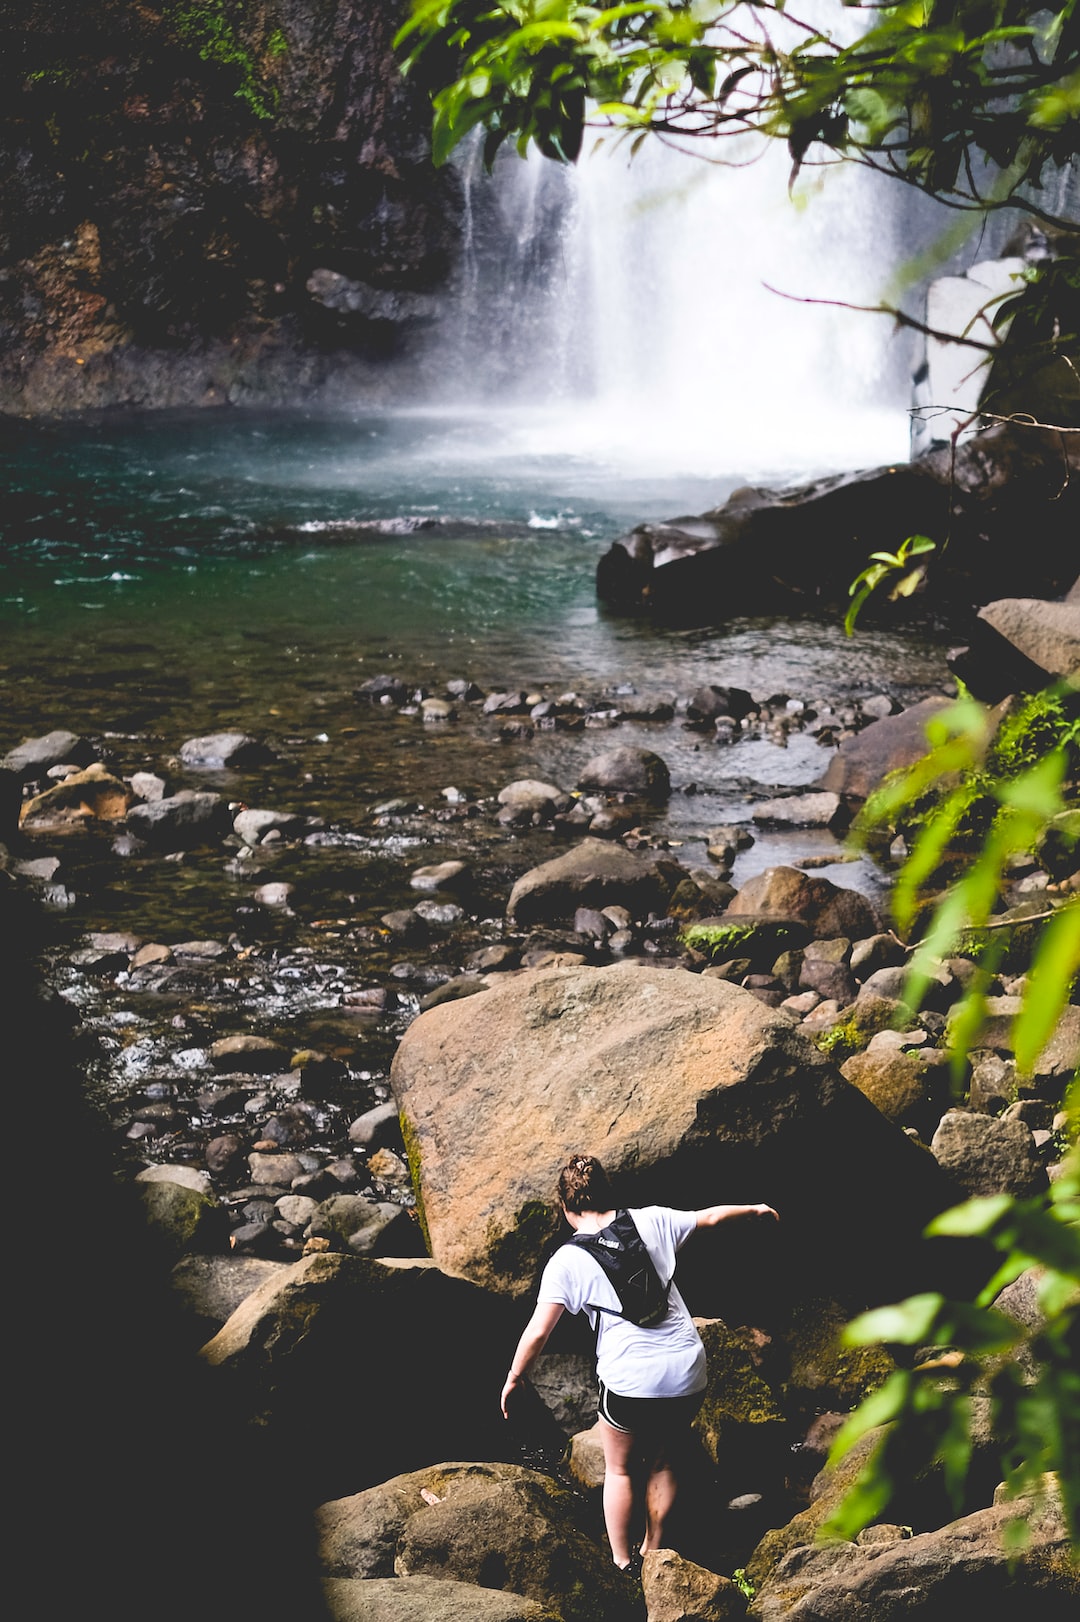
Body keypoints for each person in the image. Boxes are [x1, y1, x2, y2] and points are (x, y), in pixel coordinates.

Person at [500, 1153, 779, 1576]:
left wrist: (515, 1378)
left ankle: (622, 1561)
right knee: (665, 1460)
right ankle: (655, 1550)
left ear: (564, 1207)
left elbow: (539, 1332)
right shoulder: (652, 1220)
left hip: (631, 1382)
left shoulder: (566, 1261)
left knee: (620, 1469)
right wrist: (754, 1210)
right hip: (687, 1372)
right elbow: (711, 1218)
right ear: (610, 1191)